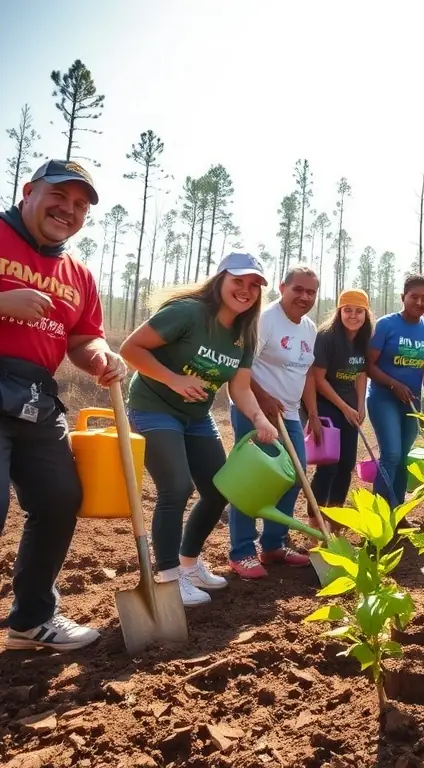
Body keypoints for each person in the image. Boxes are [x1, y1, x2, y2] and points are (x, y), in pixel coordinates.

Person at [2, 159, 127, 651]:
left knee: (59, 500)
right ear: (29, 191)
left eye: (80, 206)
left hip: (36, 395)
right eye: (59, 197)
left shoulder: (78, 274)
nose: (68, 210)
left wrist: (100, 357)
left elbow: (83, 337)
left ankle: (31, 621)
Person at [120, 252, 279, 607]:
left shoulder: (244, 334)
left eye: (254, 285)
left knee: (218, 489)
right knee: (176, 487)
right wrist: (174, 379)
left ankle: (189, 564)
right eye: (239, 281)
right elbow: (131, 348)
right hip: (154, 407)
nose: (246, 290)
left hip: (196, 415)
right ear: (220, 279)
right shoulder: (188, 313)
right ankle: (168, 577)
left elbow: (239, 388)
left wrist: (260, 418)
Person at [226, 265, 320, 579]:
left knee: (294, 476)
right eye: (298, 289)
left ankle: (273, 544)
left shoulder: (309, 328)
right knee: (254, 480)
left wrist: (313, 414)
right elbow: (241, 366)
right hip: (253, 409)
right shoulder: (265, 320)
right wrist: (263, 398)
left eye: (311, 292)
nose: (304, 297)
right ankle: (242, 551)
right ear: (282, 287)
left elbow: (306, 374)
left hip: (289, 413)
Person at [366, 274, 424, 503]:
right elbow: (369, 365)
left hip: (412, 401)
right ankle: (380, 512)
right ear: (402, 297)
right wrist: (393, 384)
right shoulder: (387, 325)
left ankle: (398, 510)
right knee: (392, 454)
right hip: (383, 398)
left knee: (404, 456)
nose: (419, 303)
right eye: (414, 297)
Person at [309, 288, 371, 508]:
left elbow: (362, 374)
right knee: (328, 465)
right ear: (339, 311)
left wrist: (360, 405)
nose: (353, 316)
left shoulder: (364, 339)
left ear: (366, 314)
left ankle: (336, 514)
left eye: (359, 311)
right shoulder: (326, 337)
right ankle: (315, 518)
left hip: (350, 408)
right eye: (347, 310)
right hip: (328, 406)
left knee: (347, 464)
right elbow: (319, 379)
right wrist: (344, 407)